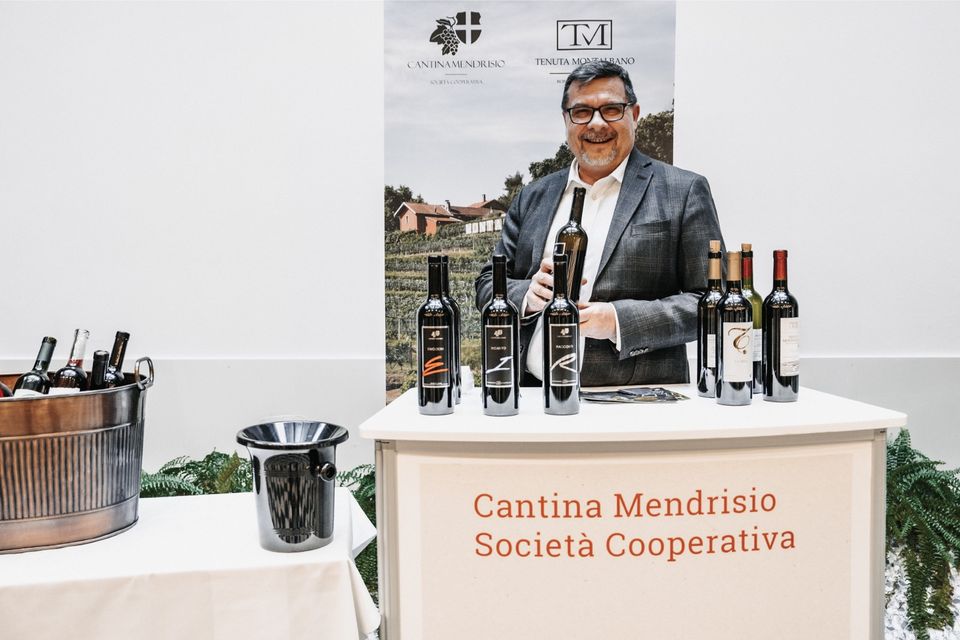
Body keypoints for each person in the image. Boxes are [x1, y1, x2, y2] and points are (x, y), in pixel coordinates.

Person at [474, 61, 725, 387]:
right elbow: (488, 283)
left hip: (635, 399)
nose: (596, 123)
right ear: (566, 120)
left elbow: (713, 303)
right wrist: (526, 295)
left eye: (611, 109)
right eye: (581, 112)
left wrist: (619, 321)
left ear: (634, 115)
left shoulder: (684, 191)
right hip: (532, 394)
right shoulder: (533, 196)